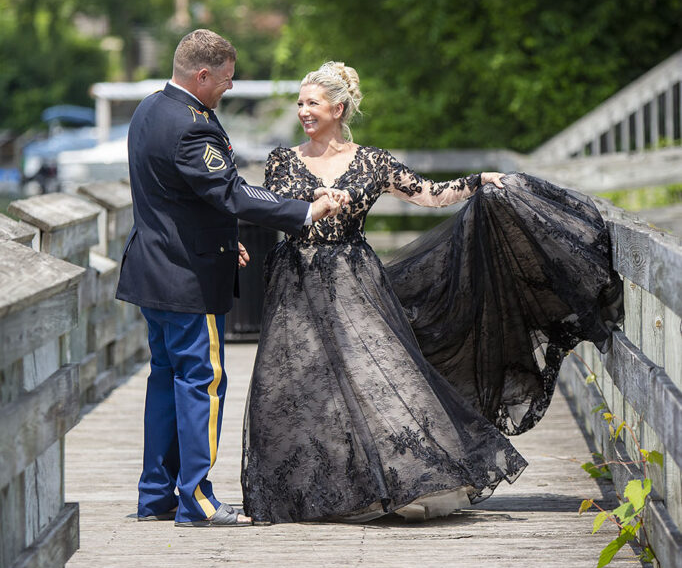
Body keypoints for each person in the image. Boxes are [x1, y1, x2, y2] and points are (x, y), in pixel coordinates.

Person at [241, 62, 622, 524]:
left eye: (312, 103)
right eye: (300, 103)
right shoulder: (282, 159)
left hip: (352, 280)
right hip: (295, 284)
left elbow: (429, 194)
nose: (303, 111)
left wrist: (478, 182)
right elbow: (271, 208)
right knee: (296, 386)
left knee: (379, 379)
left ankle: (407, 481)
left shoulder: (373, 161)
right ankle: (309, 493)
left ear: (338, 108)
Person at [116, 30, 344, 528]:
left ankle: (156, 494)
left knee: (165, 380)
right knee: (203, 381)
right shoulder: (191, 126)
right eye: (224, 80)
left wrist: (223, 236)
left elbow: (177, 196)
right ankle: (196, 499)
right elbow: (233, 193)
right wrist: (307, 210)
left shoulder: (148, 110)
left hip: (154, 270)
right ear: (201, 75)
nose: (229, 88)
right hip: (188, 279)